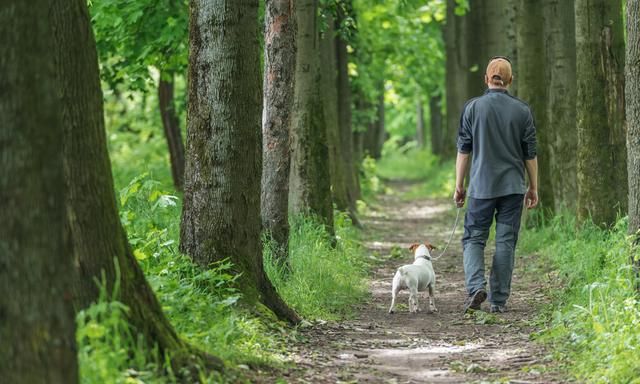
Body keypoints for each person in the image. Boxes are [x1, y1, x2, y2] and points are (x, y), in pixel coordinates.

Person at [454, 56, 539, 313]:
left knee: (474, 238)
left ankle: (476, 286)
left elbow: (464, 150)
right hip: (513, 187)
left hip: (481, 186)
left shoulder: (472, 108)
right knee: (505, 242)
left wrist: (459, 185)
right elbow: (530, 154)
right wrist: (533, 187)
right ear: (510, 80)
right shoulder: (522, 111)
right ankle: (498, 301)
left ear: (486, 79)